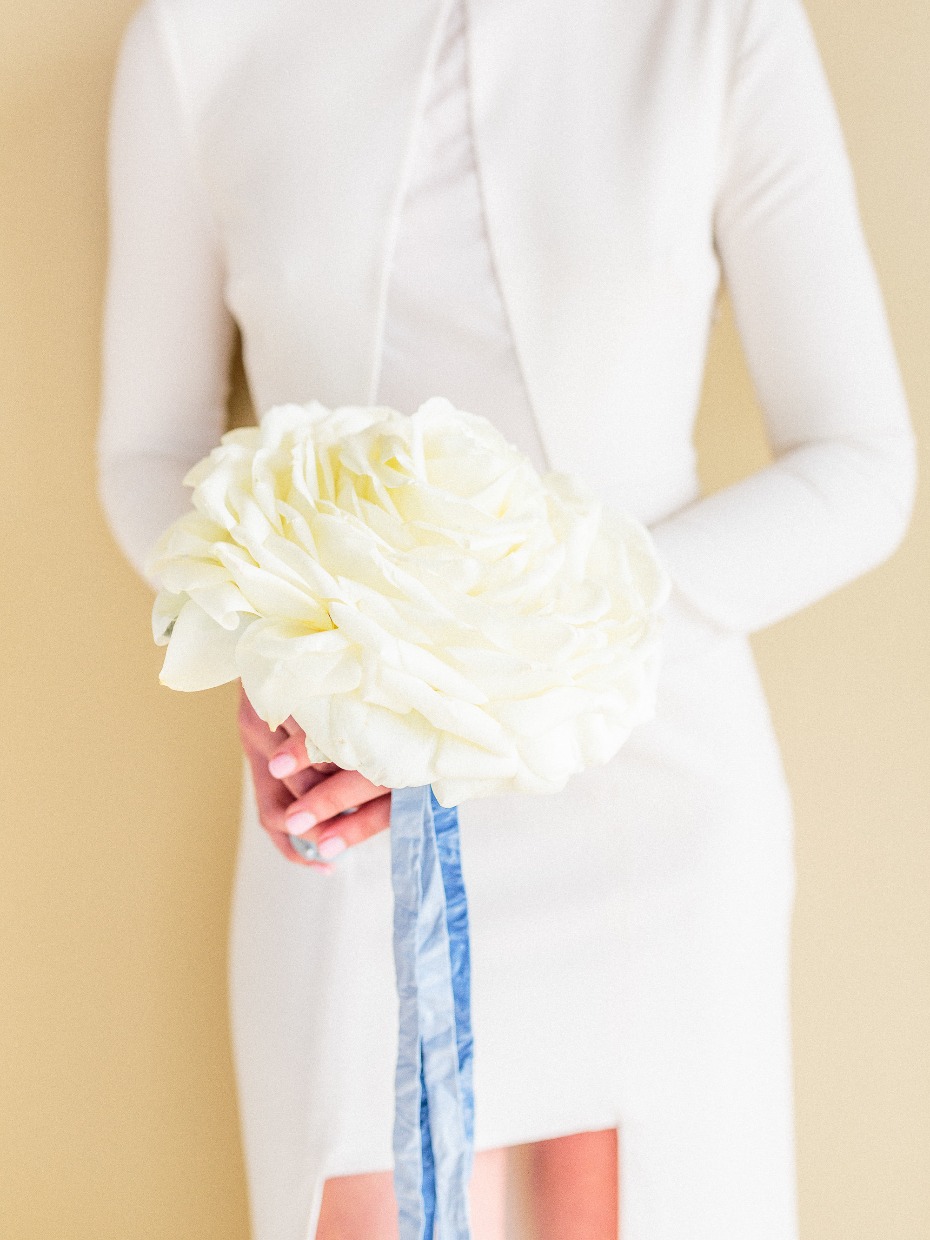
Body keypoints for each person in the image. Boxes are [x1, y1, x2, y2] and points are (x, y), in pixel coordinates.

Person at [95, 0, 917, 1236]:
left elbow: (860, 466)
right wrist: (274, 666)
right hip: (356, 783)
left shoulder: (717, 22)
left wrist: (537, 656)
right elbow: (148, 450)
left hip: (651, 780)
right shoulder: (197, 37)